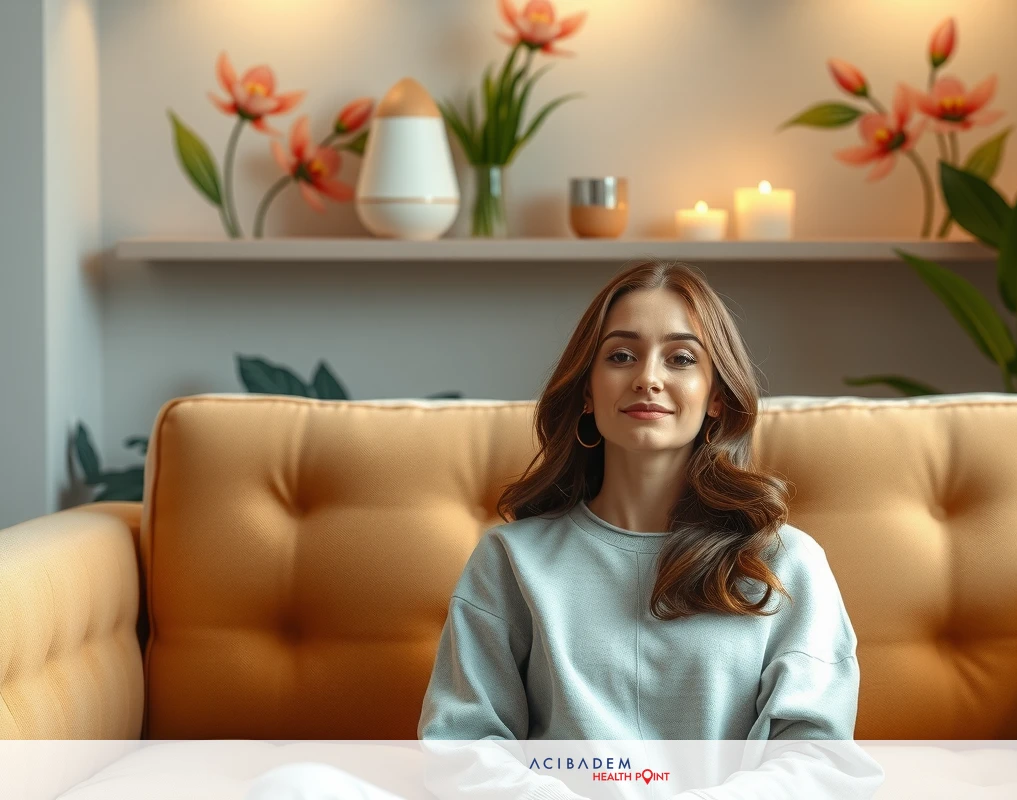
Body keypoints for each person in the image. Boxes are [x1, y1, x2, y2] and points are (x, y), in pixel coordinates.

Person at [245, 260, 884, 800]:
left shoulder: (783, 565)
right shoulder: (511, 559)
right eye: (622, 355)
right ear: (586, 392)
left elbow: (818, 759)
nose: (648, 377)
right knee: (291, 786)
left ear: (717, 395)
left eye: (681, 358)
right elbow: (463, 745)